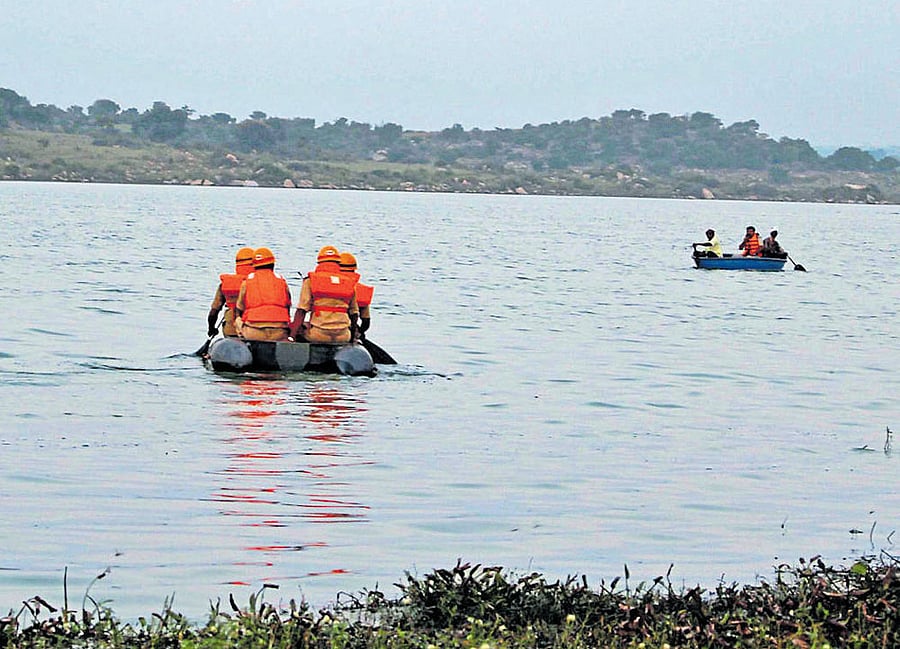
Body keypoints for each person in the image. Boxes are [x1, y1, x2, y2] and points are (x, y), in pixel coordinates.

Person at [289, 245, 359, 344]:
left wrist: (292, 336)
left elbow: (301, 311)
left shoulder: (311, 280)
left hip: (319, 335)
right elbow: (354, 314)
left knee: (299, 328)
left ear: (319, 262)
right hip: (343, 336)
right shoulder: (349, 282)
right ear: (338, 263)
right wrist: (352, 339)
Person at [234, 247, 292, 341]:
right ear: (273, 265)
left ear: (254, 266)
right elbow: (288, 306)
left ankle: (242, 343)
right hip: (279, 333)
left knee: (237, 319)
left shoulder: (247, 282)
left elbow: (239, 309)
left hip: (254, 333)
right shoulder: (282, 281)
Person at [207, 246, 255, 337]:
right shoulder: (258, 284)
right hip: (252, 332)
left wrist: (211, 329)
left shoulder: (225, 285)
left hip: (230, 331)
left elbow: (213, 313)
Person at [338, 251, 372, 338]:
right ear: (354, 269)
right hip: (350, 331)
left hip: (325, 329)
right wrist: (359, 331)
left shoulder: (327, 287)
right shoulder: (361, 290)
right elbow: (366, 322)